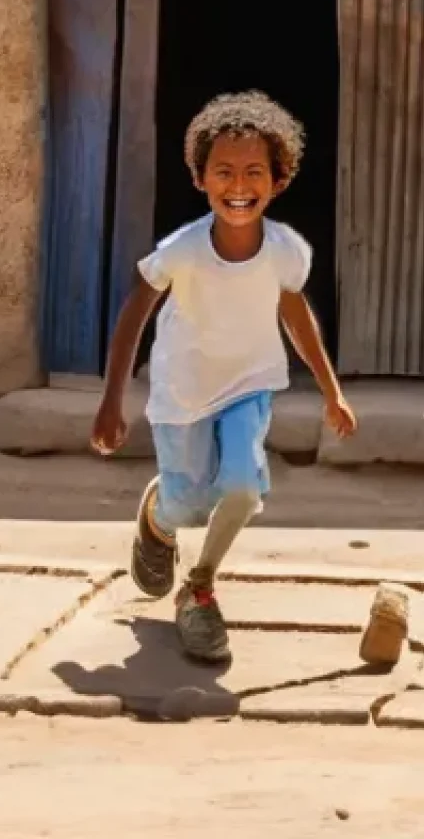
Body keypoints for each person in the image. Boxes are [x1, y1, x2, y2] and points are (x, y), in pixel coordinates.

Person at [91, 90, 357, 662]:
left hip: (248, 386)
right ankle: (159, 517)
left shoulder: (284, 250)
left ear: (279, 179)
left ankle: (200, 587)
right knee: (188, 504)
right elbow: (135, 312)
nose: (239, 186)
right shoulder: (183, 250)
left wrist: (332, 391)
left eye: (254, 172)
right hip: (183, 392)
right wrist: (112, 400)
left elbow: (295, 313)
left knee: (240, 486)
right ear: (201, 179)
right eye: (224, 172)